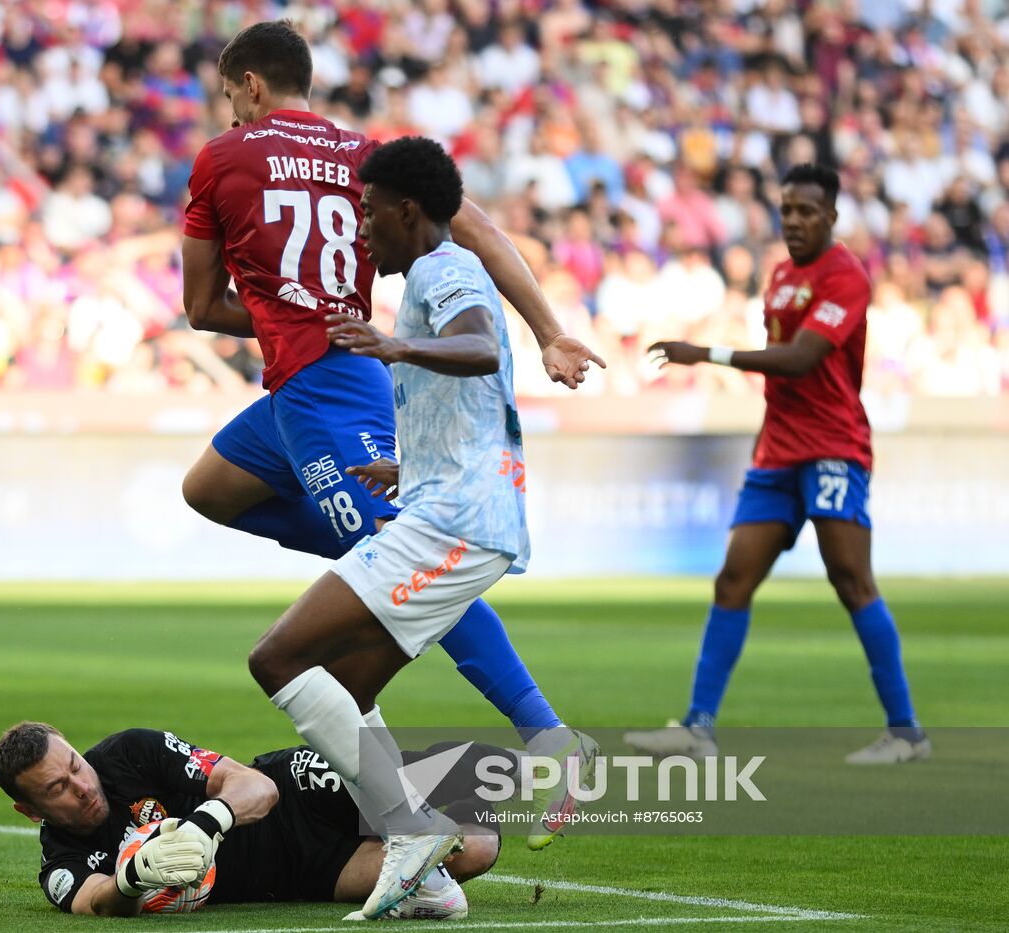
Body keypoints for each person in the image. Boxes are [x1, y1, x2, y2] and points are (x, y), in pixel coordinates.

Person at [179, 20, 602, 847]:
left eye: (232, 96)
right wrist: (550, 330)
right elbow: (484, 231)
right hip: (312, 382)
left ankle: (546, 734)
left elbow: (200, 307)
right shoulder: (363, 156)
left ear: (252, 85)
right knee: (209, 489)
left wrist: (284, 317)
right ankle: (373, 551)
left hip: (326, 385)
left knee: (396, 555)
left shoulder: (222, 157)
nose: (231, 113)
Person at [230, 135, 595, 920]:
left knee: (278, 656)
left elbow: (477, 345)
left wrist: (395, 345)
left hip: (453, 528)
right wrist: (410, 467)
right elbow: (472, 400)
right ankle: (426, 876)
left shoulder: (442, 268)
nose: (361, 230)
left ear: (407, 211)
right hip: (453, 511)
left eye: (367, 214)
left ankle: (412, 831)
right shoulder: (435, 273)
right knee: (343, 691)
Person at [631, 164, 928, 765]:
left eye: (807, 211)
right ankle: (698, 728)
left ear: (832, 216)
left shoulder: (846, 276)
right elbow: (781, 377)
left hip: (833, 447)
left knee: (851, 581)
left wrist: (705, 353)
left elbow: (799, 360)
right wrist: (765, 441)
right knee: (733, 580)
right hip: (778, 451)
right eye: (787, 209)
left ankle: (906, 733)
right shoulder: (782, 274)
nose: (793, 220)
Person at [0, 721, 503, 919]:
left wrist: (203, 825)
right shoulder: (61, 862)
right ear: (30, 811)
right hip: (304, 875)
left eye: (75, 764)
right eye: (57, 789)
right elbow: (96, 902)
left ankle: (541, 767)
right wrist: (132, 876)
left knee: (430, 776)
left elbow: (257, 787)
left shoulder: (130, 753)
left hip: (298, 796)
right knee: (478, 848)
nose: (82, 785)